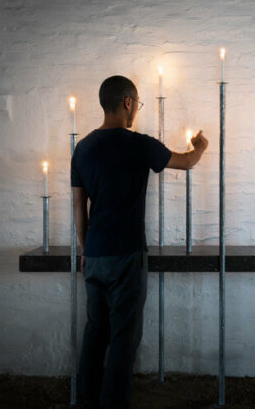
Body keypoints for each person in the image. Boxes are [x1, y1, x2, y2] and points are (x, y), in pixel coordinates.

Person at [71, 75, 208, 408]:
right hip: (127, 255)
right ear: (128, 102)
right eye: (138, 103)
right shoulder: (139, 144)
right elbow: (186, 162)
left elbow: (78, 205)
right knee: (123, 339)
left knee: (95, 332)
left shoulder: (83, 148)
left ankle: (85, 400)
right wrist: (200, 145)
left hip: (96, 254)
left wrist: (85, 249)